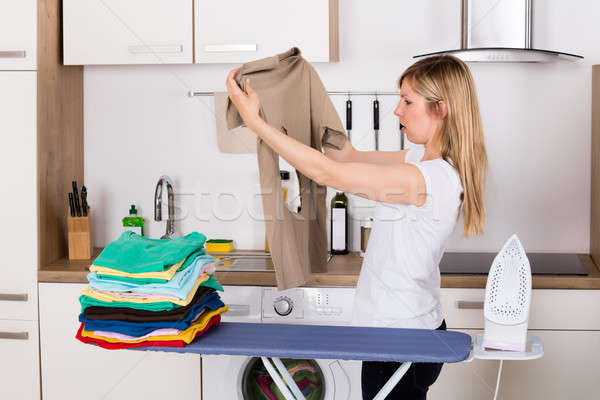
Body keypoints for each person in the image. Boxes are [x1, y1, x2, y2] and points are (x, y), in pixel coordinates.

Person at [226, 54, 488, 399]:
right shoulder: (417, 160)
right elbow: (344, 157)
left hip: (402, 339)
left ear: (441, 109)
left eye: (408, 101)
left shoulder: (429, 178)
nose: (397, 111)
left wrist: (257, 124)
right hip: (398, 332)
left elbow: (326, 173)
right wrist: (306, 89)